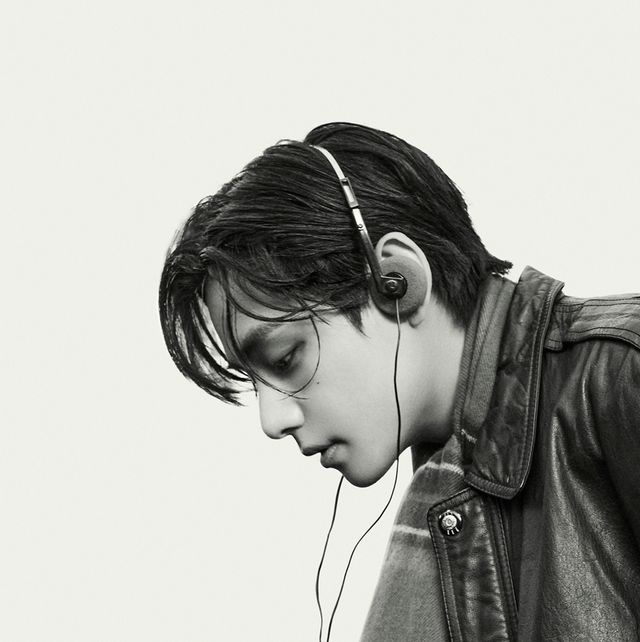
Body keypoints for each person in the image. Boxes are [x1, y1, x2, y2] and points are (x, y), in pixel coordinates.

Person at [158, 122, 640, 641]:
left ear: (398, 282)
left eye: (285, 356)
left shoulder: (621, 378)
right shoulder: (448, 483)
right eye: (255, 383)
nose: (271, 420)